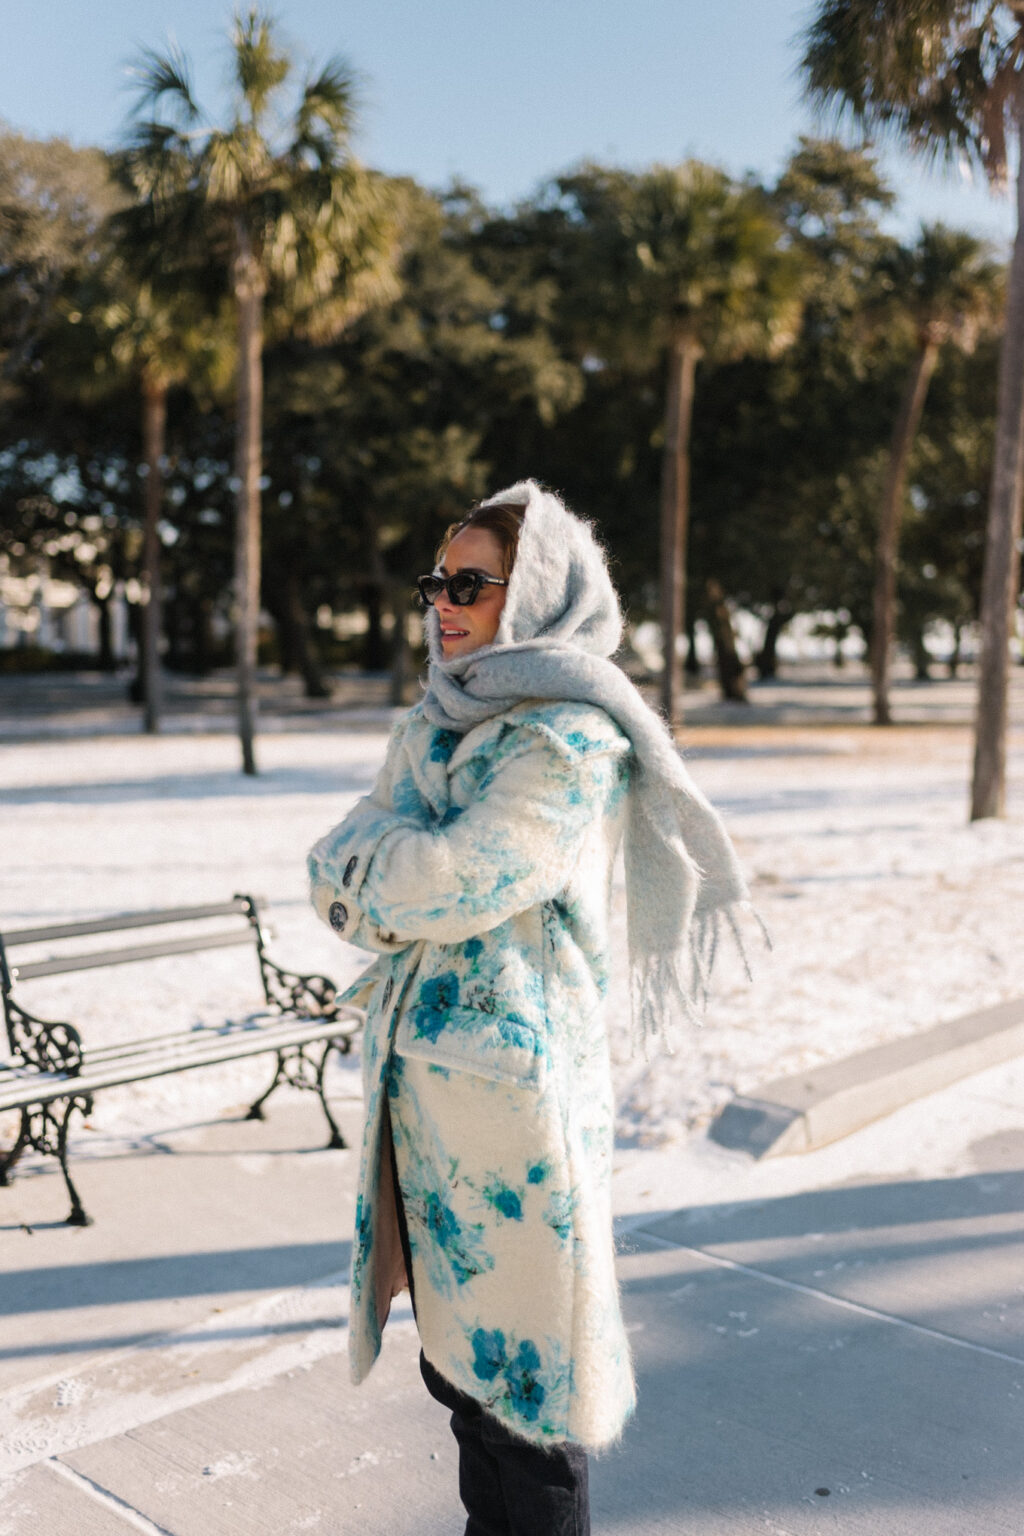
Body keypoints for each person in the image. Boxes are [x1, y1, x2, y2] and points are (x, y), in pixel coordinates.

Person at [308, 479, 749, 1536]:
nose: (443, 604)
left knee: (531, 1402)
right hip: (422, 1100)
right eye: (436, 583)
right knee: (462, 1389)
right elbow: (338, 869)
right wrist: (375, 870)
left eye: (471, 584)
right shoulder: (436, 717)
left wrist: (373, 867)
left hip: (515, 1104)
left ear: (540, 592)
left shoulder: (567, 739)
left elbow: (456, 878)